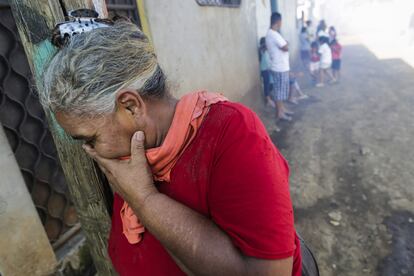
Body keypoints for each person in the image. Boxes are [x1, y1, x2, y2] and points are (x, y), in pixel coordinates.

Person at [42, 19, 303, 276]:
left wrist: (145, 199)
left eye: (91, 138)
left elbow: (268, 272)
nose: (90, 151)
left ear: (131, 107)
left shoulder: (231, 132)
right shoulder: (137, 152)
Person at [266, 12, 293, 121]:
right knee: (279, 92)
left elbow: (284, 45)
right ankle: (279, 113)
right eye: (281, 21)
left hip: (280, 67)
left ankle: (282, 110)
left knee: (281, 92)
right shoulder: (273, 34)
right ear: (278, 21)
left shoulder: (272, 34)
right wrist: (286, 44)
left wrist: (285, 44)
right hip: (279, 67)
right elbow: (285, 47)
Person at [259, 37, 276, 108]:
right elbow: (263, 47)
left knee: (270, 84)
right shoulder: (262, 50)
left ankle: (269, 97)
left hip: (268, 69)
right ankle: (268, 100)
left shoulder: (266, 50)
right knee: (267, 84)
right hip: (264, 70)